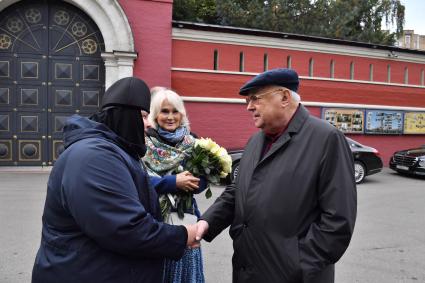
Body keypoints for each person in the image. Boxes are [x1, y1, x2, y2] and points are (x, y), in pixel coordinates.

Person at [195, 68, 357, 283]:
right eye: (248, 100)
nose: (249, 107)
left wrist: (298, 266)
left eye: (255, 99)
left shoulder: (326, 139)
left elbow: (338, 221)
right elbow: (238, 190)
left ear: (284, 97)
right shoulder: (255, 141)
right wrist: (207, 222)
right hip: (247, 271)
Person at [32, 77, 199, 283]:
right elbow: (125, 228)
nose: (148, 124)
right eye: (144, 116)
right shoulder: (94, 157)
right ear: (125, 115)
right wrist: (182, 236)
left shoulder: (112, 151)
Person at [143, 88, 206, 283]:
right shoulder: (145, 142)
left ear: (182, 114)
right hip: (154, 221)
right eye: (164, 111)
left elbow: (202, 181)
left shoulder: (193, 142)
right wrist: (173, 182)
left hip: (185, 219)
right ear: (155, 114)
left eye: (175, 111)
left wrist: (197, 181)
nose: (170, 117)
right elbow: (138, 181)